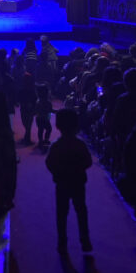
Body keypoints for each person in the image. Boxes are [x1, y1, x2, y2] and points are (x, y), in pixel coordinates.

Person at [45, 108, 93, 254]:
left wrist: (57, 173)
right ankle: (85, 240)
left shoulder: (56, 145)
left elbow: (49, 163)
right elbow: (88, 161)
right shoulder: (80, 144)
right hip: (78, 182)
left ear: (58, 126)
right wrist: (78, 169)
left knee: (61, 213)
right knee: (81, 211)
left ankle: (62, 242)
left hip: (62, 183)